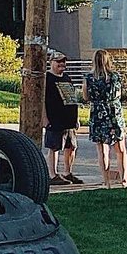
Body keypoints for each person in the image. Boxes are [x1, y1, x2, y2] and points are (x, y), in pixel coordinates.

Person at [82, 49, 127, 188]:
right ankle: (124, 180)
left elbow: (86, 97)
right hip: (113, 113)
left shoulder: (89, 78)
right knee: (120, 148)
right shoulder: (115, 77)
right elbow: (119, 94)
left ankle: (106, 182)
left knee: (102, 150)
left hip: (98, 114)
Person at [43, 52, 82, 186]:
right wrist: (44, 118)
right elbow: (41, 100)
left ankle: (67, 172)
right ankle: (52, 175)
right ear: (51, 62)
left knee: (71, 147)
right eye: (58, 61)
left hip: (69, 119)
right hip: (54, 118)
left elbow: (72, 98)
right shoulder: (47, 79)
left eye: (63, 61)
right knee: (54, 146)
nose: (62, 64)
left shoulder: (66, 77)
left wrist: (76, 118)